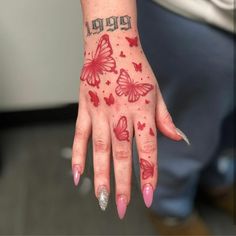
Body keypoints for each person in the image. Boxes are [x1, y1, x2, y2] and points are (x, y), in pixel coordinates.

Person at [72, 0, 234, 235]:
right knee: (178, 132)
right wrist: (110, 29)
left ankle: (217, 177)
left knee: (226, 120)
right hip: (188, 14)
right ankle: (170, 211)